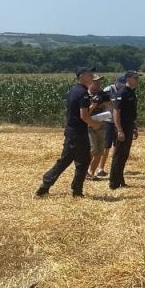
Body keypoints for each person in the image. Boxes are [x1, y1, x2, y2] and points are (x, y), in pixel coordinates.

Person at [36, 66, 102, 198]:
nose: (92, 76)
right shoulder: (83, 93)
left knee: (74, 161)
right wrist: (95, 125)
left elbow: (79, 112)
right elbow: (83, 115)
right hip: (78, 133)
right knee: (75, 162)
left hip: (72, 131)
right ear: (82, 76)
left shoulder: (73, 90)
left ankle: (54, 187)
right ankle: (67, 189)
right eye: (89, 73)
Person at [109, 70, 140, 190]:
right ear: (128, 79)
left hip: (129, 126)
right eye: (135, 78)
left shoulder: (132, 93)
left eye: (137, 78)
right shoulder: (122, 93)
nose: (137, 80)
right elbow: (116, 112)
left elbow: (132, 113)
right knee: (118, 155)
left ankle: (120, 180)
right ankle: (113, 183)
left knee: (124, 155)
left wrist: (134, 128)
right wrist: (119, 129)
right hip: (122, 127)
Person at [86, 75, 114, 180]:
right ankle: (84, 171)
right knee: (93, 150)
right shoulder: (85, 95)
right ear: (89, 83)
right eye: (95, 82)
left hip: (101, 124)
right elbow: (85, 113)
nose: (98, 84)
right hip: (89, 125)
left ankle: (91, 173)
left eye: (99, 82)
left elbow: (111, 104)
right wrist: (94, 105)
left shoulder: (102, 94)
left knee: (100, 151)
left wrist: (105, 102)